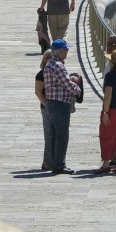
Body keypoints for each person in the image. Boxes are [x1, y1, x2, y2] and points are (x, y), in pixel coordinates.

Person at [43, 39, 82, 174]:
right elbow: (66, 84)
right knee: (62, 135)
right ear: (60, 51)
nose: (67, 51)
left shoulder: (49, 64)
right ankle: (60, 165)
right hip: (60, 104)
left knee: (54, 134)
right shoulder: (58, 65)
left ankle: (55, 163)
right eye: (65, 49)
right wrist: (78, 89)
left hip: (51, 103)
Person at [34, 49, 53, 170]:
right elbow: (38, 92)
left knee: (55, 135)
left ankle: (53, 160)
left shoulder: (55, 71)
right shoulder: (41, 74)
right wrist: (47, 105)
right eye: (48, 57)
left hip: (57, 106)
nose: (51, 60)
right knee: (49, 135)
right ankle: (47, 162)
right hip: (47, 108)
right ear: (44, 60)